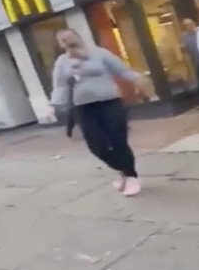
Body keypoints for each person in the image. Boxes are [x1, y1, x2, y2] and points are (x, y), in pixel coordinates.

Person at [49, 29, 145, 197]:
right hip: (85, 108)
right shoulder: (62, 62)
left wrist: (137, 78)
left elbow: (121, 70)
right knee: (96, 146)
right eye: (63, 40)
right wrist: (54, 106)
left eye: (70, 37)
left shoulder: (99, 53)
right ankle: (122, 169)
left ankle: (131, 177)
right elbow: (60, 86)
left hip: (110, 102)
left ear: (78, 37)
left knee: (118, 140)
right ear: (61, 45)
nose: (67, 41)